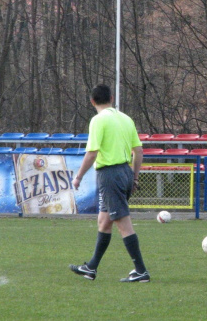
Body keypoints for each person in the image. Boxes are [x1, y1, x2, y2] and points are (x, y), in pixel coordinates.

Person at [69, 84, 149, 283]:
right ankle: (91, 268)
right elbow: (138, 151)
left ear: (92, 101)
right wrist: (135, 177)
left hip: (110, 175)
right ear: (112, 98)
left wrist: (78, 176)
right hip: (125, 172)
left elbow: (92, 152)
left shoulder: (98, 120)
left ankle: (141, 271)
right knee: (104, 222)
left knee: (123, 223)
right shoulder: (126, 118)